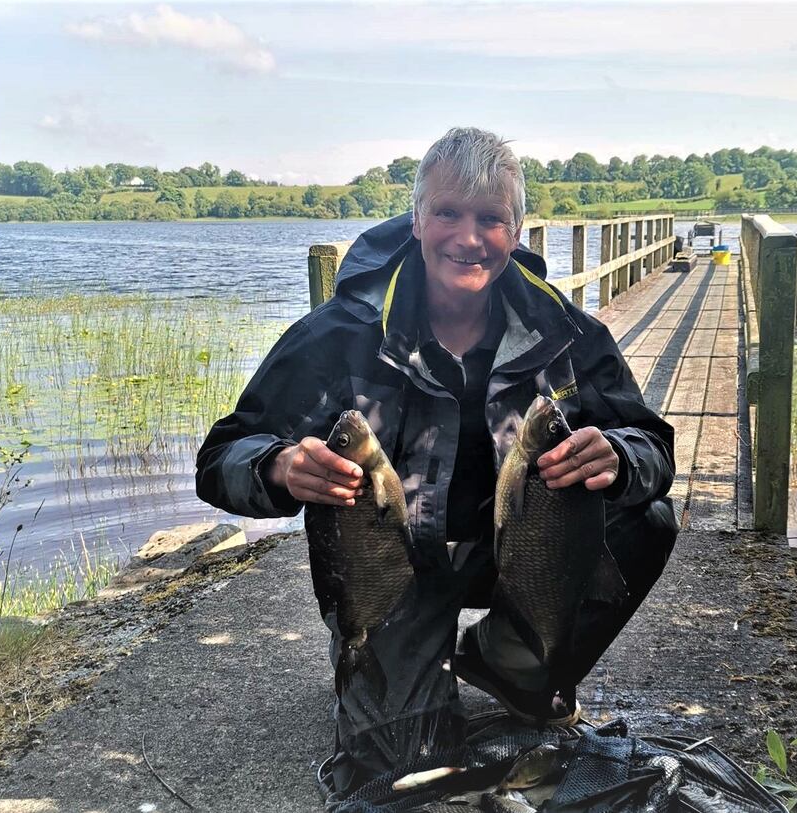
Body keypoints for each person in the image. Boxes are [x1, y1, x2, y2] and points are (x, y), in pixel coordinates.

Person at [196, 127, 678, 797]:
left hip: (519, 553)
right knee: (402, 760)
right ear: (417, 218)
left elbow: (653, 444)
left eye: (491, 218)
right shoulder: (341, 333)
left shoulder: (565, 332)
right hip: (394, 567)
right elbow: (222, 455)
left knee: (648, 517)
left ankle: (512, 662)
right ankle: (381, 656)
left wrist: (621, 457)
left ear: (516, 229)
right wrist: (278, 466)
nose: (467, 236)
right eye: (448, 212)